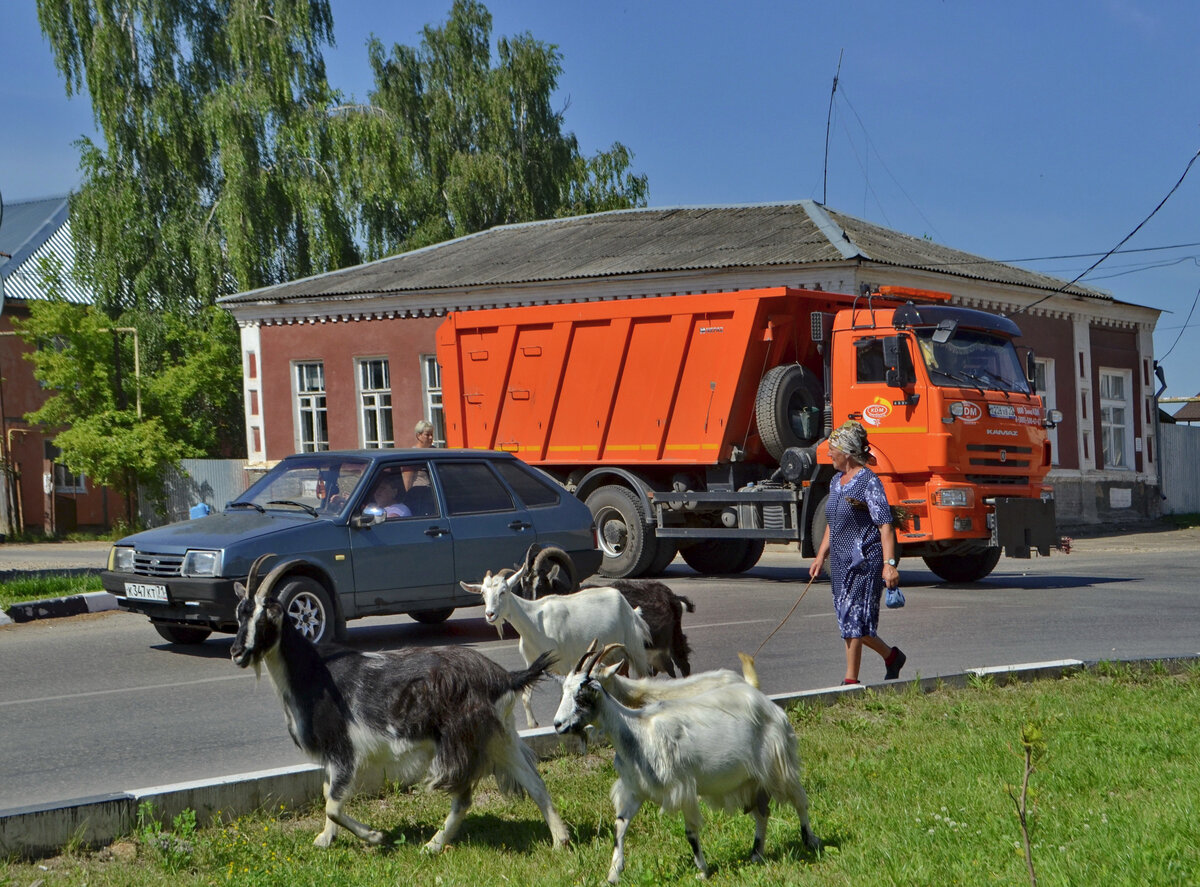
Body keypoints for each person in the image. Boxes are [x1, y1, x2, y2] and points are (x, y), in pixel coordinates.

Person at [809, 420, 906, 685]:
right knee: (848, 618)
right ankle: (891, 656)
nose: (829, 454)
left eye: (833, 450)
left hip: (865, 561)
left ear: (848, 453)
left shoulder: (869, 482)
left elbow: (885, 525)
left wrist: (889, 564)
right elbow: (833, 521)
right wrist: (821, 556)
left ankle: (850, 680)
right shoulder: (835, 482)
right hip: (839, 562)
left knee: (853, 618)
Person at [403, 419, 435, 491]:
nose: (430, 437)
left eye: (431, 434)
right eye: (427, 434)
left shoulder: (435, 451)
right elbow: (407, 483)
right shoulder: (412, 455)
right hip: (420, 491)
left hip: (434, 492)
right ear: (418, 436)